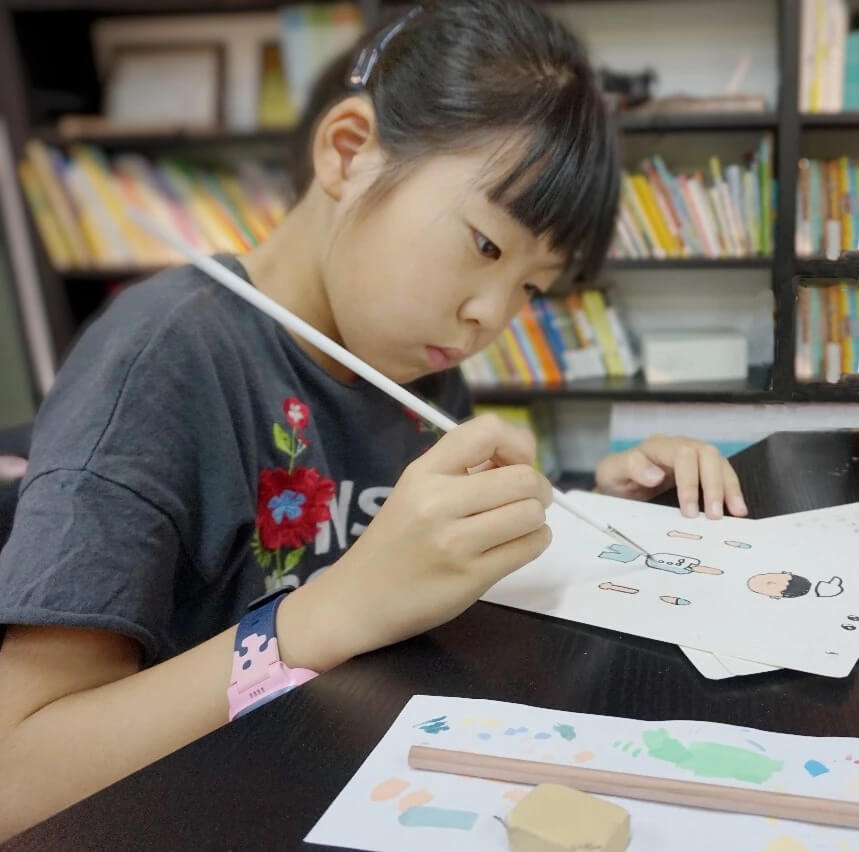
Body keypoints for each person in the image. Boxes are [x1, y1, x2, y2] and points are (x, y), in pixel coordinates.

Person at [0, 0, 747, 838]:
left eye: (531, 288)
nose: (489, 316)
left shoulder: (410, 364)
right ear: (349, 153)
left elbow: (426, 577)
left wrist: (592, 505)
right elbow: (17, 777)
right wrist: (328, 614)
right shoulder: (161, 363)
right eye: (487, 245)